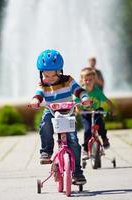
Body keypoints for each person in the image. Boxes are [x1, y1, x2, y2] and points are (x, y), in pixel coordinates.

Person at [30, 49, 91, 185]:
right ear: (41, 74)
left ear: (60, 71)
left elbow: (78, 90)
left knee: (73, 141)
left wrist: (84, 97)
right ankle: (46, 151)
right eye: (46, 75)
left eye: (53, 76)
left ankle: (77, 172)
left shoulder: (68, 80)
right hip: (51, 112)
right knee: (45, 124)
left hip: (67, 112)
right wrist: (36, 100)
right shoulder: (42, 84)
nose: (50, 79)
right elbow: (38, 94)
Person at [74, 67, 117, 159]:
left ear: (95, 80)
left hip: (97, 111)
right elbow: (75, 101)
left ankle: (104, 138)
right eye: (86, 80)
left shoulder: (97, 91)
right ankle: (85, 149)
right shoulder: (81, 91)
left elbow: (107, 100)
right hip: (86, 113)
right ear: (82, 80)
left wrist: (113, 108)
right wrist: (77, 109)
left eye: (90, 80)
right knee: (88, 130)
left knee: (100, 124)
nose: (88, 82)